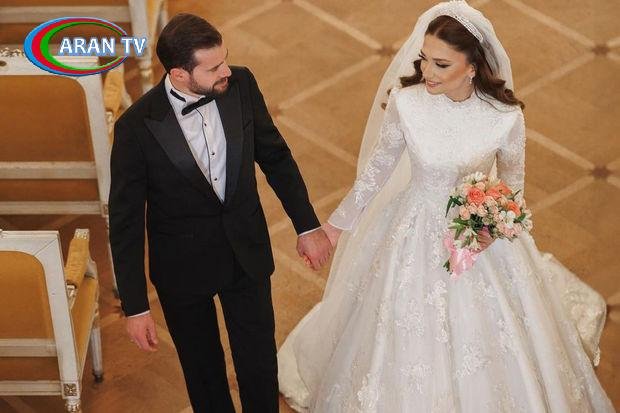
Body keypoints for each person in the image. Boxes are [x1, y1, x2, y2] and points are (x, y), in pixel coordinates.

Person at [277, 1, 615, 411]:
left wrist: (488, 231)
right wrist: (332, 228)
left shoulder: (504, 117)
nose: (427, 72)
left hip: (478, 244)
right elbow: (375, 173)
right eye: (424, 59)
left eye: (441, 64)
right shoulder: (407, 103)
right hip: (412, 233)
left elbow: (512, 190)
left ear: (472, 67)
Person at [109, 13, 332, 413]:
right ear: (179, 74)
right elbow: (125, 223)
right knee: (204, 374)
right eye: (213, 68)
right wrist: (136, 306)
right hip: (182, 268)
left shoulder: (240, 84)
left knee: (259, 364)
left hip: (246, 250)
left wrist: (307, 226)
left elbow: (276, 156)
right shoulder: (135, 128)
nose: (226, 71)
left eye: (224, 59)